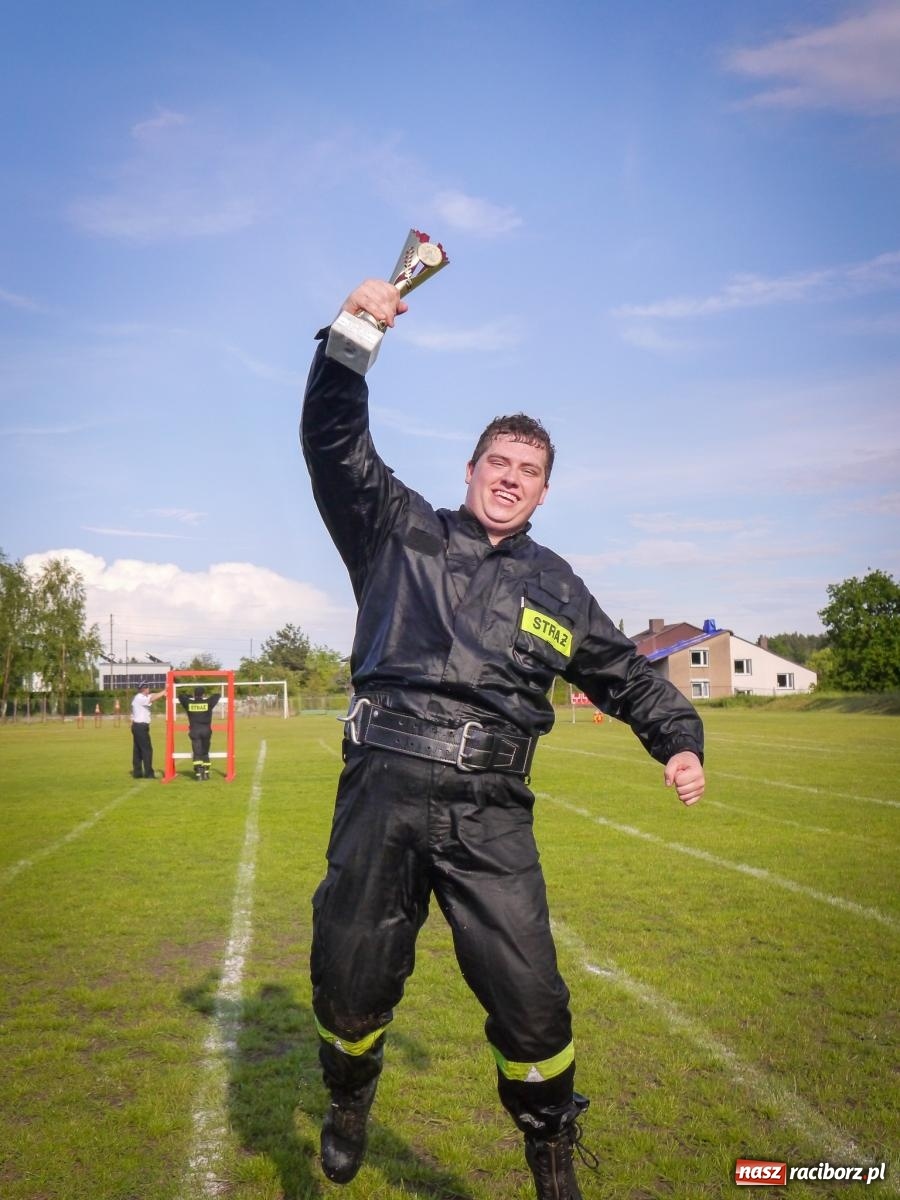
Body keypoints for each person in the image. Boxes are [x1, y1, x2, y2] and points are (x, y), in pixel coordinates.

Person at [300, 279, 706, 1199]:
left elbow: (627, 674)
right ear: (472, 468)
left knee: (532, 1003)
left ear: (545, 489)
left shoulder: (558, 587)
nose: (511, 477)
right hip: (383, 792)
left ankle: (551, 1147)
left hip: (490, 813)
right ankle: (350, 1096)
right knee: (349, 980)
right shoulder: (396, 529)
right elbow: (332, 439)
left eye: (529, 468)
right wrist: (355, 331)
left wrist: (679, 738)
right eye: (498, 461)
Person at [178, 685, 220, 779]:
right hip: (206, 731)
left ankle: (198, 774)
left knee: (197, 752)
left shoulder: (189, 703)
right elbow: (217, 695)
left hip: (194, 731)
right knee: (205, 752)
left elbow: (180, 696)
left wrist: (189, 696)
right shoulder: (208, 703)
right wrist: (208, 697)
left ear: (194, 694)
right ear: (203, 694)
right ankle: (206, 773)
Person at [130, 682, 165, 779]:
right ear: (144, 689)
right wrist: (164, 691)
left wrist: (162, 693)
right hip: (140, 727)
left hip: (138, 726)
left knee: (137, 750)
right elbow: (152, 698)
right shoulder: (140, 698)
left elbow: (152, 695)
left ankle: (137, 773)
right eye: (147, 687)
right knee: (147, 750)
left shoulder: (141, 697)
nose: (149, 689)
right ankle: (149, 773)